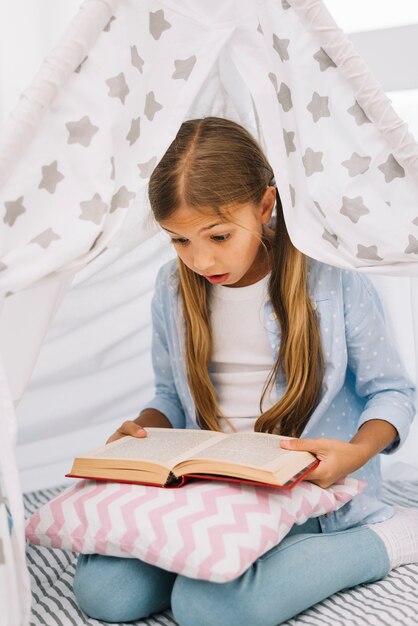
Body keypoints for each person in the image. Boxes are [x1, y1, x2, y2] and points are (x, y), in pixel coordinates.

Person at [73, 117, 418, 626]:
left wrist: (356, 453)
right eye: (179, 240)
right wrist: (142, 433)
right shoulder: (173, 289)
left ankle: (385, 538)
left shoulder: (331, 278)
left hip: (303, 486)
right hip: (208, 483)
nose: (199, 258)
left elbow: (391, 390)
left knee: (210, 606)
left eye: (217, 235)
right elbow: (170, 394)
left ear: (264, 204)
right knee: (107, 593)